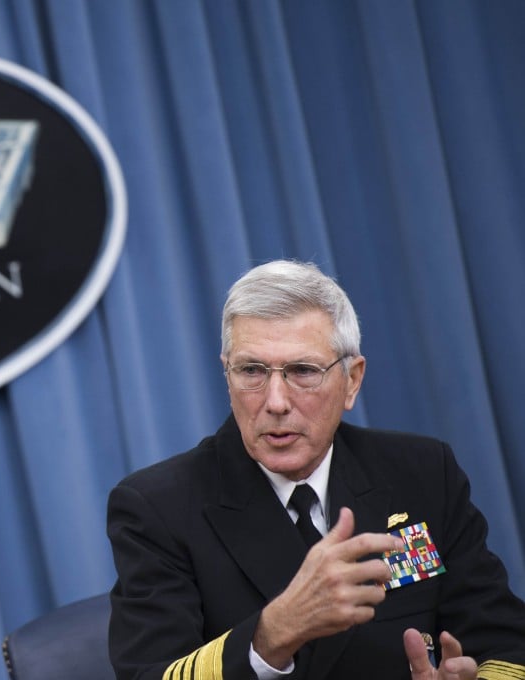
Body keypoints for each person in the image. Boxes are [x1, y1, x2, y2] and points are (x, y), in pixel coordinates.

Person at [107, 260, 525, 680]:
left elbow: (506, 644)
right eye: (251, 371)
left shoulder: (422, 472)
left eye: (303, 371)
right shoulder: (158, 508)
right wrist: (272, 633)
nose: (275, 402)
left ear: (352, 381)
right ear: (227, 375)